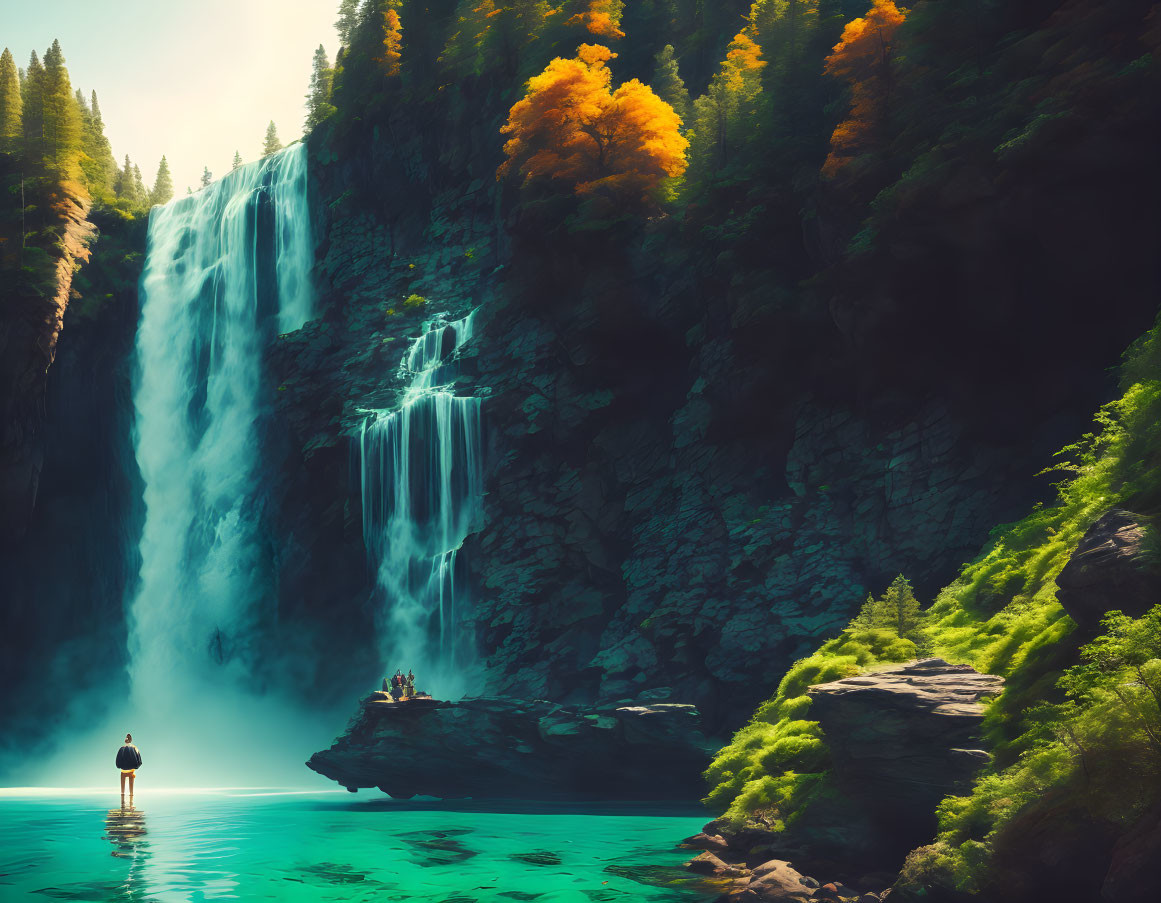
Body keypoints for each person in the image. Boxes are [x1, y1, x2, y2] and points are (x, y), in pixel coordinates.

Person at [116, 734, 142, 800]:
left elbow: (117, 761)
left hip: (123, 770)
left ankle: (122, 796)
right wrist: (136, 766)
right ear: (131, 740)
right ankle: (131, 797)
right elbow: (139, 760)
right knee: (131, 789)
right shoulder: (135, 748)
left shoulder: (121, 748)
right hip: (131, 771)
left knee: (122, 789)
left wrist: (120, 766)